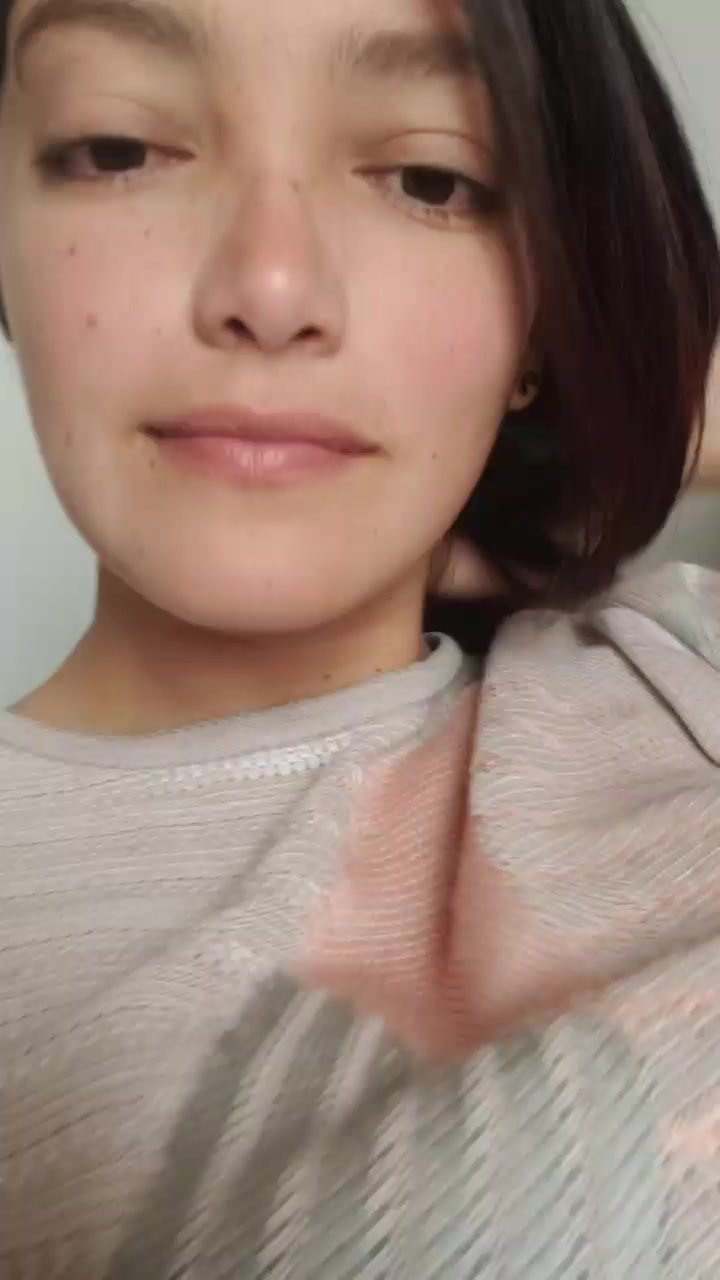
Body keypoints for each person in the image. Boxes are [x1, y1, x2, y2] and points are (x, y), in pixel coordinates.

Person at [1, 0, 719, 1275]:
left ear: (541, 311)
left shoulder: (676, 666)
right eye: (117, 149)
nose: (271, 289)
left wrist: (607, 442)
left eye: (433, 180)